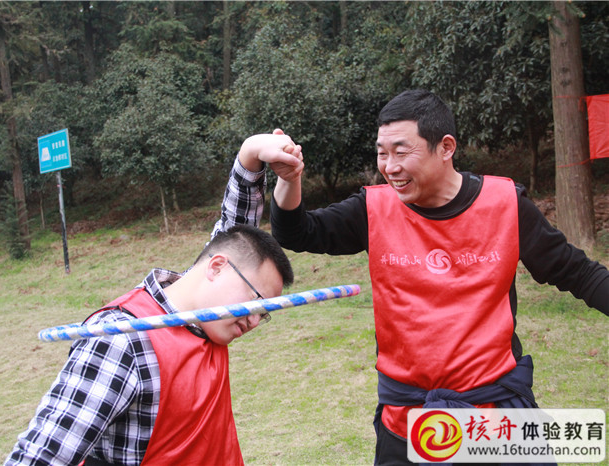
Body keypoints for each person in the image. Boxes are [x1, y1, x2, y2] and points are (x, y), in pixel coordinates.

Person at [223, 90, 609, 465]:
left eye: (401, 151)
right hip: (407, 418)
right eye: (382, 153)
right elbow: (296, 233)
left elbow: (577, 272)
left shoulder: (504, 204)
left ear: (446, 147)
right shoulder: (373, 209)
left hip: (494, 411)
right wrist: (290, 178)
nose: (390, 166)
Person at [5, 133, 300, 466]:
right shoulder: (121, 340)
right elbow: (41, 457)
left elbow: (240, 236)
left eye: (264, 313)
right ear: (216, 268)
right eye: (255, 303)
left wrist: (251, 153)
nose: (254, 321)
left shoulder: (209, 311)